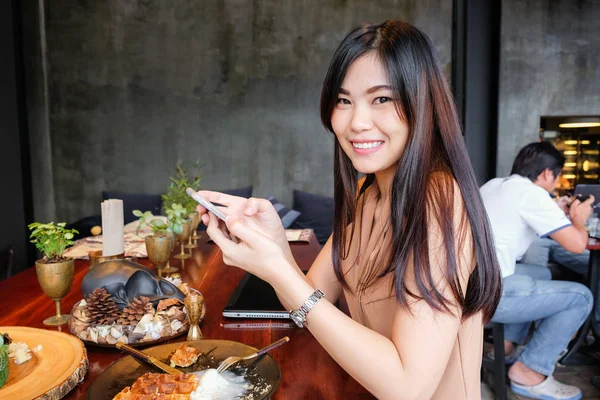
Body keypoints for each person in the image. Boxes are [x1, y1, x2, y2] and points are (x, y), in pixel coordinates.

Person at [195, 20, 502, 399]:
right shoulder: (367, 191)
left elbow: (408, 387)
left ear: (422, 103)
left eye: (382, 99)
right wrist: (275, 246)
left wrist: (277, 268)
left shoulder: (439, 201)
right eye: (344, 100)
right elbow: (305, 301)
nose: (356, 122)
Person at [480, 141, 594, 400]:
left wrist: (558, 212)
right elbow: (577, 244)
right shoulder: (532, 195)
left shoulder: (495, 185)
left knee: (540, 274)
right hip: (487, 296)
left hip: (471, 283)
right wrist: (579, 219)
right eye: (557, 176)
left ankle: (504, 348)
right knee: (581, 297)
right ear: (546, 174)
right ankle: (529, 372)